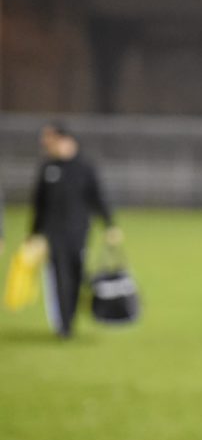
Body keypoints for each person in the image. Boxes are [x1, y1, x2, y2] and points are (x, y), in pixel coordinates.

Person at [28, 124, 122, 338]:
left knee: (77, 276)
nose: (45, 144)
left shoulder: (84, 167)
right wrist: (33, 234)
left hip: (79, 232)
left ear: (63, 139)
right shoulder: (48, 168)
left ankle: (70, 318)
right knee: (59, 277)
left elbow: (98, 196)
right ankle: (63, 325)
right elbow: (39, 204)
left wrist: (109, 225)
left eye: (49, 139)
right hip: (53, 234)